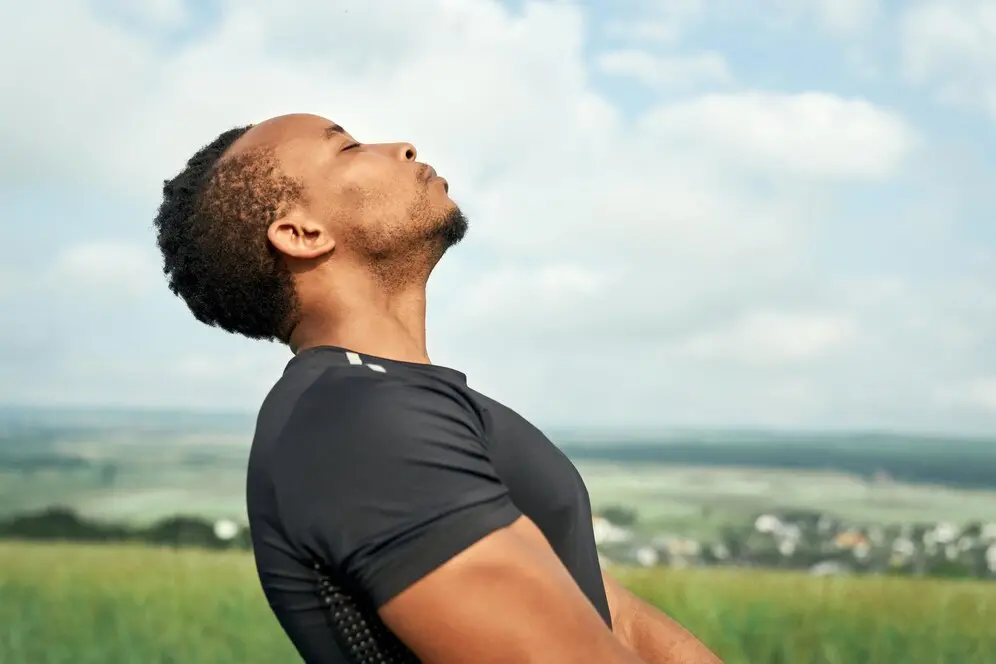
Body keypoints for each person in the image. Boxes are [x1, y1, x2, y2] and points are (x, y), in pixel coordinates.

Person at [153, 113, 723, 664]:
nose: (401, 146)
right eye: (347, 148)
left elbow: (610, 616)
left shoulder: (419, 404)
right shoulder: (353, 422)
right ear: (302, 233)